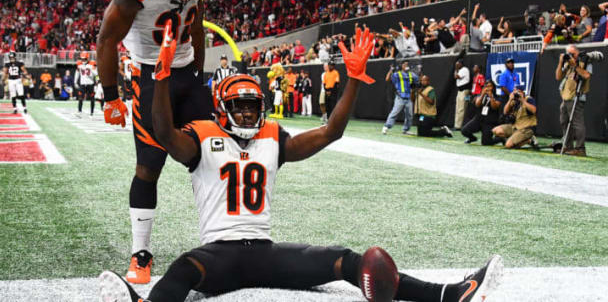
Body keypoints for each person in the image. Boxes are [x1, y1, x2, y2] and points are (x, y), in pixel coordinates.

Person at [98, 27, 502, 302]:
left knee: (347, 259)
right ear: (221, 109)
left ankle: (446, 294)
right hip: (217, 253)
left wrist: (354, 81)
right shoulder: (202, 136)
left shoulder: (272, 139)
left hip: (266, 252)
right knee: (183, 269)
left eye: (252, 107)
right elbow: (165, 133)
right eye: (237, 108)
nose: (246, 115)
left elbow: (330, 133)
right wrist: (163, 78)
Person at [97, 0, 217, 283]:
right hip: (150, 74)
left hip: (186, 74)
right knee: (149, 165)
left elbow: (196, 21)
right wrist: (111, 96)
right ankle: (141, 253)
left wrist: (199, 69)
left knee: (212, 159)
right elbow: (107, 39)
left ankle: (220, 241)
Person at [556, 44, 593, 156]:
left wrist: (575, 65)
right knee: (564, 121)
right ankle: (568, 146)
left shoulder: (585, 61)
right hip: (566, 96)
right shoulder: (567, 64)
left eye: (572, 54)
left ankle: (580, 149)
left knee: (577, 123)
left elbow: (586, 75)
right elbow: (558, 77)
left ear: (577, 52)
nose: (570, 56)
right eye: (568, 54)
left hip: (577, 96)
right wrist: (561, 62)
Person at [382, 61, 418, 135]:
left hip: (409, 98)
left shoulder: (412, 74)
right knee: (394, 113)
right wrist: (391, 70)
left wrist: (419, 71)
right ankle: (386, 127)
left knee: (410, 115)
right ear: (402, 66)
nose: (406, 65)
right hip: (400, 97)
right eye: (405, 64)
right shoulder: (397, 74)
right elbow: (387, 79)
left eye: (407, 64)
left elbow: (418, 81)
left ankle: (406, 130)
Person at [461, 80, 502, 145]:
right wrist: (482, 94)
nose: (488, 88)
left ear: (493, 87)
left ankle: (500, 139)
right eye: (486, 86)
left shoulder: (497, 97)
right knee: (464, 131)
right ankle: (472, 138)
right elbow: (477, 104)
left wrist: (491, 96)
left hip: (489, 122)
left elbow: (494, 107)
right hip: (478, 119)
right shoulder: (480, 95)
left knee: (486, 142)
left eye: (490, 86)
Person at [75, 52, 98, 116]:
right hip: (82, 84)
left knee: (92, 98)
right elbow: (77, 73)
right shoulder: (79, 64)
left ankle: (92, 112)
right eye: (82, 59)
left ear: (87, 58)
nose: (83, 60)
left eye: (84, 59)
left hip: (90, 83)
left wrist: (97, 82)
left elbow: (96, 74)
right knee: (80, 97)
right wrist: (75, 81)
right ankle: (79, 111)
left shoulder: (92, 64)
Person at [453, 60, 470, 130]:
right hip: (460, 91)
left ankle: (459, 126)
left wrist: (456, 69)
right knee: (458, 108)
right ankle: (457, 125)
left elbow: (457, 77)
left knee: (462, 108)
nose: (456, 65)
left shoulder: (464, 69)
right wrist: (456, 69)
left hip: (465, 91)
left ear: (461, 64)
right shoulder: (459, 70)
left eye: (457, 64)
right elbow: (455, 76)